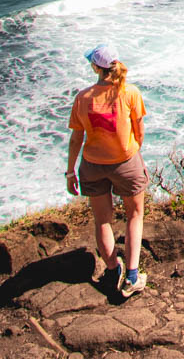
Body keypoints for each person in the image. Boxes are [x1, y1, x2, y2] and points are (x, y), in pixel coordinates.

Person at [66, 42, 149, 298]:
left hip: (92, 165)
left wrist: (70, 172)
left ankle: (113, 268)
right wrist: (134, 153)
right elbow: (139, 130)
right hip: (125, 161)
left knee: (102, 220)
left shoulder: (83, 98)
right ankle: (132, 276)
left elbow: (75, 140)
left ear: (95, 67)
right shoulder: (130, 93)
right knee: (134, 215)